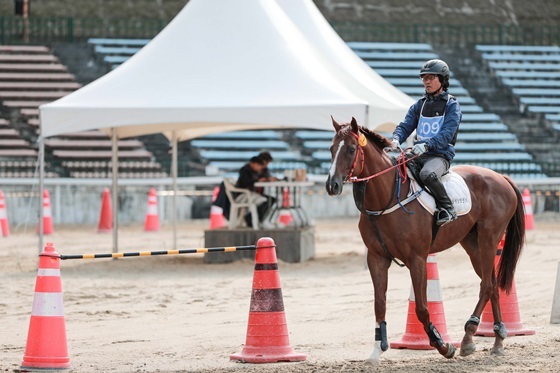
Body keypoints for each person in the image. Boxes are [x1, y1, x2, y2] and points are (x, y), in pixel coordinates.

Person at [390, 59, 462, 226]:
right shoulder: (419, 105)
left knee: (427, 175)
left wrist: (427, 144)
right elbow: (405, 126)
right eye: (424, 78)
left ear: (442, 80)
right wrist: (395, 138)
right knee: (392, 168)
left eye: (431, 78)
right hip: (418, 153)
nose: (426, 82)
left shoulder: (452, 105)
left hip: (440, 155)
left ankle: (447, 207)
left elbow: (446, 134)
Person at [236, 156, 274, 227]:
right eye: (258, 165)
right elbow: (246, 182)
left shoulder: (257, 172)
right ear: (252, 163)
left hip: (252, 194)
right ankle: (251, 220)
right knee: (265, 200)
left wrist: (266, 179)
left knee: (271, 199)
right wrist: (257, 180)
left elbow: (264, 177)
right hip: (243, 195)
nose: (259, 168)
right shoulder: (245, 170)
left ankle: (258, 220)